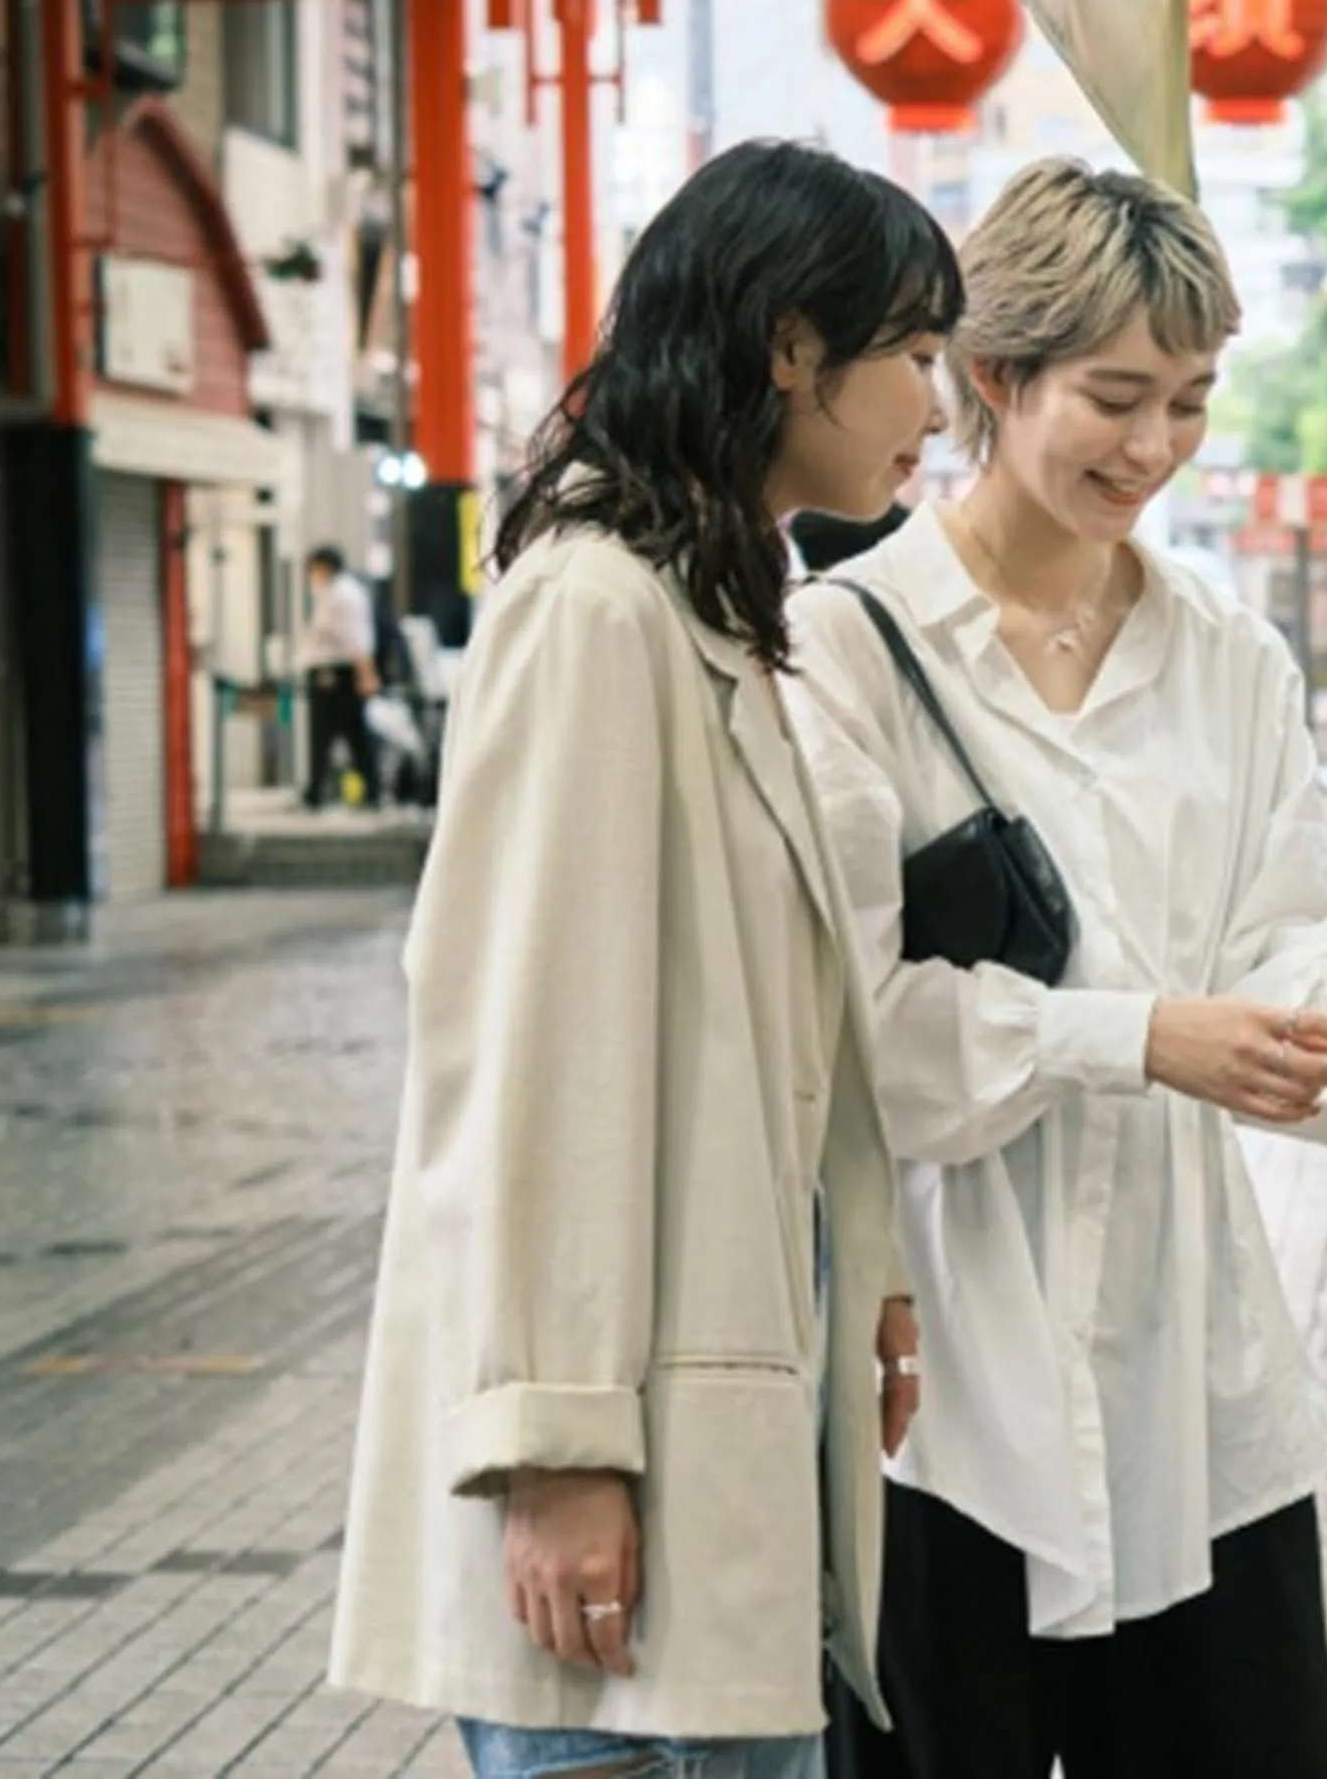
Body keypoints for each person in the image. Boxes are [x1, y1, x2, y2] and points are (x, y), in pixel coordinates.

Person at [787, 158, 1327, 1779]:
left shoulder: (1228, 660)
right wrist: (1140, 1037)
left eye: (1188, 400)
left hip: (1202, 1401)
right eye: (1114, 397)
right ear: (990, 374)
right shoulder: (849, 649)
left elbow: (1275, 965)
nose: (1155, 449)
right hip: (941, 1409)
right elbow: (839, 1039)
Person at [330, 140, 958, 1779]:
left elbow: (775, 1036)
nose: (937, 405)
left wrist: (866, 1274)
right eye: (914, 353)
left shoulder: (709, 606)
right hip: (621, 1482)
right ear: (788, 348)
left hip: (710, 1432)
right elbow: (534, 1053)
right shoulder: (595, 610)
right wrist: (556, 1451)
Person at [302, 545, 382, 809]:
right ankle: (363, 789)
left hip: (337, 674)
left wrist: (366, 674)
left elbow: (355, 640)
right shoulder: (335, 592)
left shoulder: (343, 595)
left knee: (338, 734)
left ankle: (322, 791)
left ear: (325, 567)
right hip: (336, 671)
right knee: (349, 734)